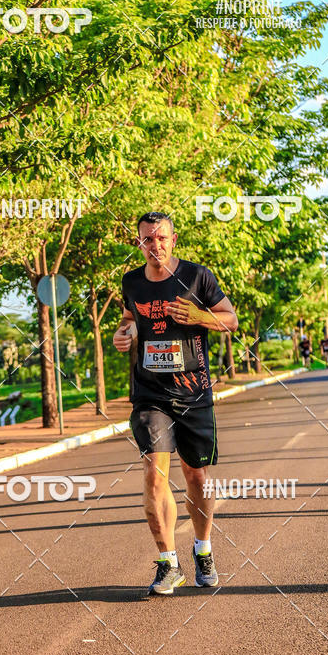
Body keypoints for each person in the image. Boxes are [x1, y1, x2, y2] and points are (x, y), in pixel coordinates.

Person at [113, 212, 238, 596]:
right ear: (139, 243)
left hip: (193, 392)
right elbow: (129, 318)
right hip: (150, 394)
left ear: (173, 239)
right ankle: (168, 563)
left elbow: (231, 320)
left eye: (161, 238)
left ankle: (203, 550)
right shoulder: (131, 281)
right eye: (148, 239)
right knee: (154, 473)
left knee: (196, 477)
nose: (155, 245)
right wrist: (124, 333)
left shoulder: (198, 277)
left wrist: (200, 316)